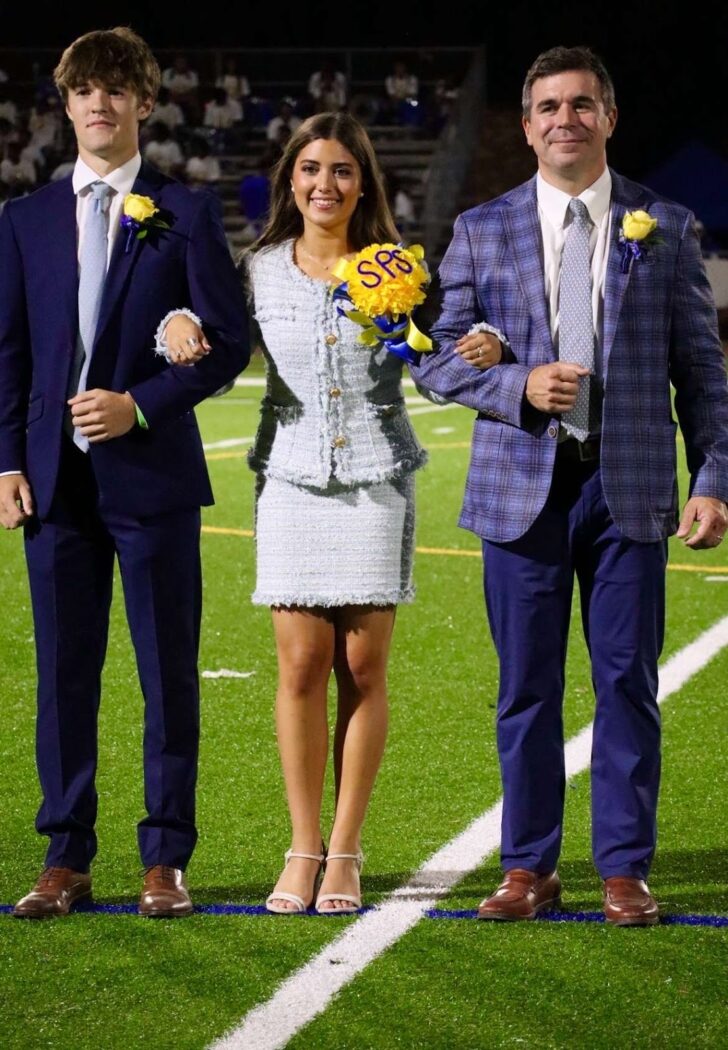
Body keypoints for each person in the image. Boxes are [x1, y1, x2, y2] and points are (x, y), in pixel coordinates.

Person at [411, 45, 728, 925]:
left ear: (609, 118)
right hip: (520, 490)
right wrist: (516, 386)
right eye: (548, 107)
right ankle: (529, 867)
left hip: (628, 489)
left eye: (582, 105)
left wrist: (713, 476)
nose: (565, 120)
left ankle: (623, 868)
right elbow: (434, 361)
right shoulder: (482, 227)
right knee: (527, 688)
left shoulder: (665, 224)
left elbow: (703, 369)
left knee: (627, 679)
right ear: (525, 125)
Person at [0, 27, 249, 920]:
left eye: (115, 90)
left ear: (145, 102)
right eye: (82, 91)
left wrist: (140, 403)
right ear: (64, 106)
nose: (98, 104)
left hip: (152, 483)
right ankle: (65, 857)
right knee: (65, 674)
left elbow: (225, 345)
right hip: (53, 488)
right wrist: (5, 463)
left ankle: (164, 858)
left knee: (164, 673)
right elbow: (11, 354)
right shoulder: (23, 219)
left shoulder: (185, 210)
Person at [161, 112, 428, 914]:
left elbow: (435, 353)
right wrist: (171, 323)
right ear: (291, 180)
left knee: (363, 669)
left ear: (364, 183)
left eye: (343, 170)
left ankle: (344, 850)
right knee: (302, 667)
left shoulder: (397, 266)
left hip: (378, 478)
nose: (325, 184)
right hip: (291, 480)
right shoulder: (259, 268)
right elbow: (203, 325)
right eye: (311, 169)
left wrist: (452, 339)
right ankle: (301, 846)